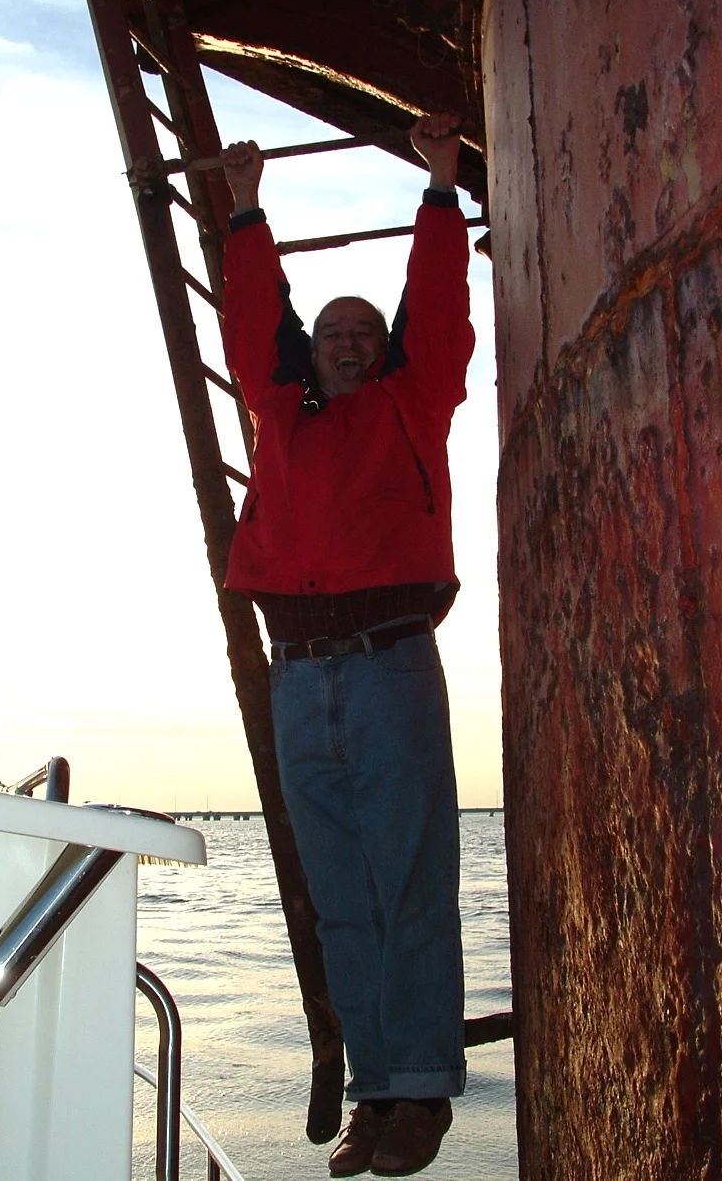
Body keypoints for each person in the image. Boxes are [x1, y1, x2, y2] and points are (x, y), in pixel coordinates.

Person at [221, 112, 475, 1178]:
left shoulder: (417, 401)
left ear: (385, 351)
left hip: (388, 663)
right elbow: (251, 324)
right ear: (312, 355)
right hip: (298, 677)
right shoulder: (281, 414)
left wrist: (439, 187)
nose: (349, 337)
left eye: (365, 329)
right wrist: (243, 209)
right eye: (332, 331)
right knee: (340, 894)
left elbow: (440, 311)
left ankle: (420, 1091)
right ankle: (378, 1086)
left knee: (410, 878)